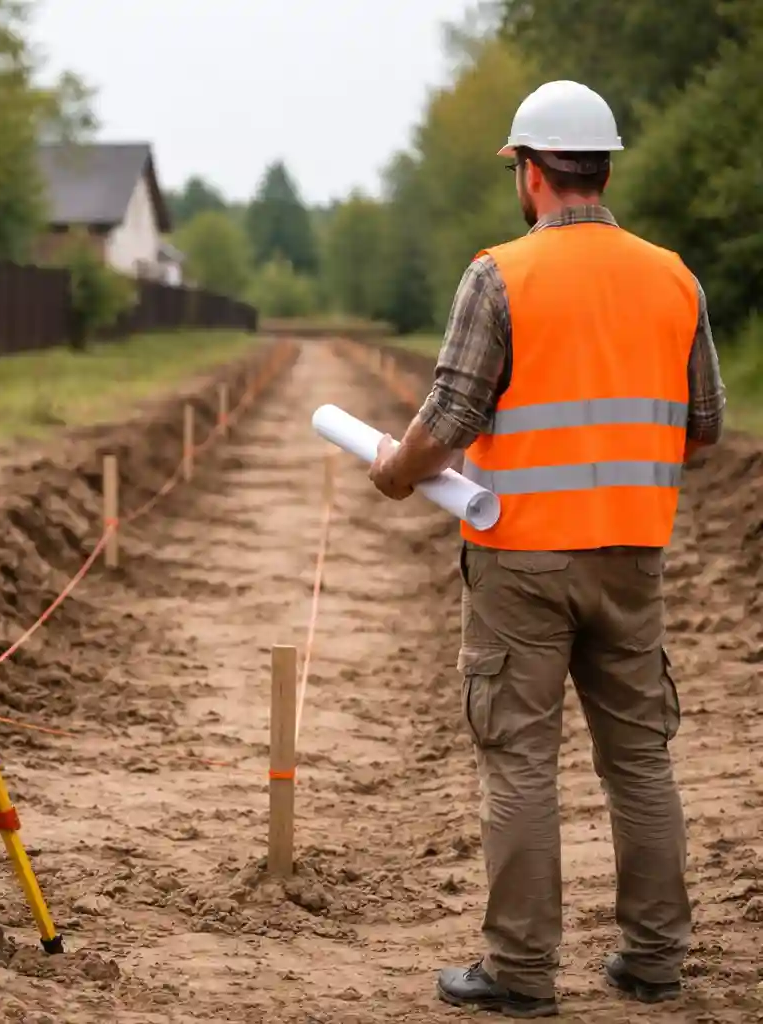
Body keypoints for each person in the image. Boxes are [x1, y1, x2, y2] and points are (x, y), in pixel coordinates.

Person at [367, 80, 725, 1018]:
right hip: (633, 555)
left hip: (522, 555)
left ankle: (521, 973)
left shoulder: (501, 275)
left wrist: (398, 471)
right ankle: (655, 960)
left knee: (521, 761)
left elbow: (449, 417)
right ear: (602, 167)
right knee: (640, 758)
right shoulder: (673, 277)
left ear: (530, 173)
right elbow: (706, 426)